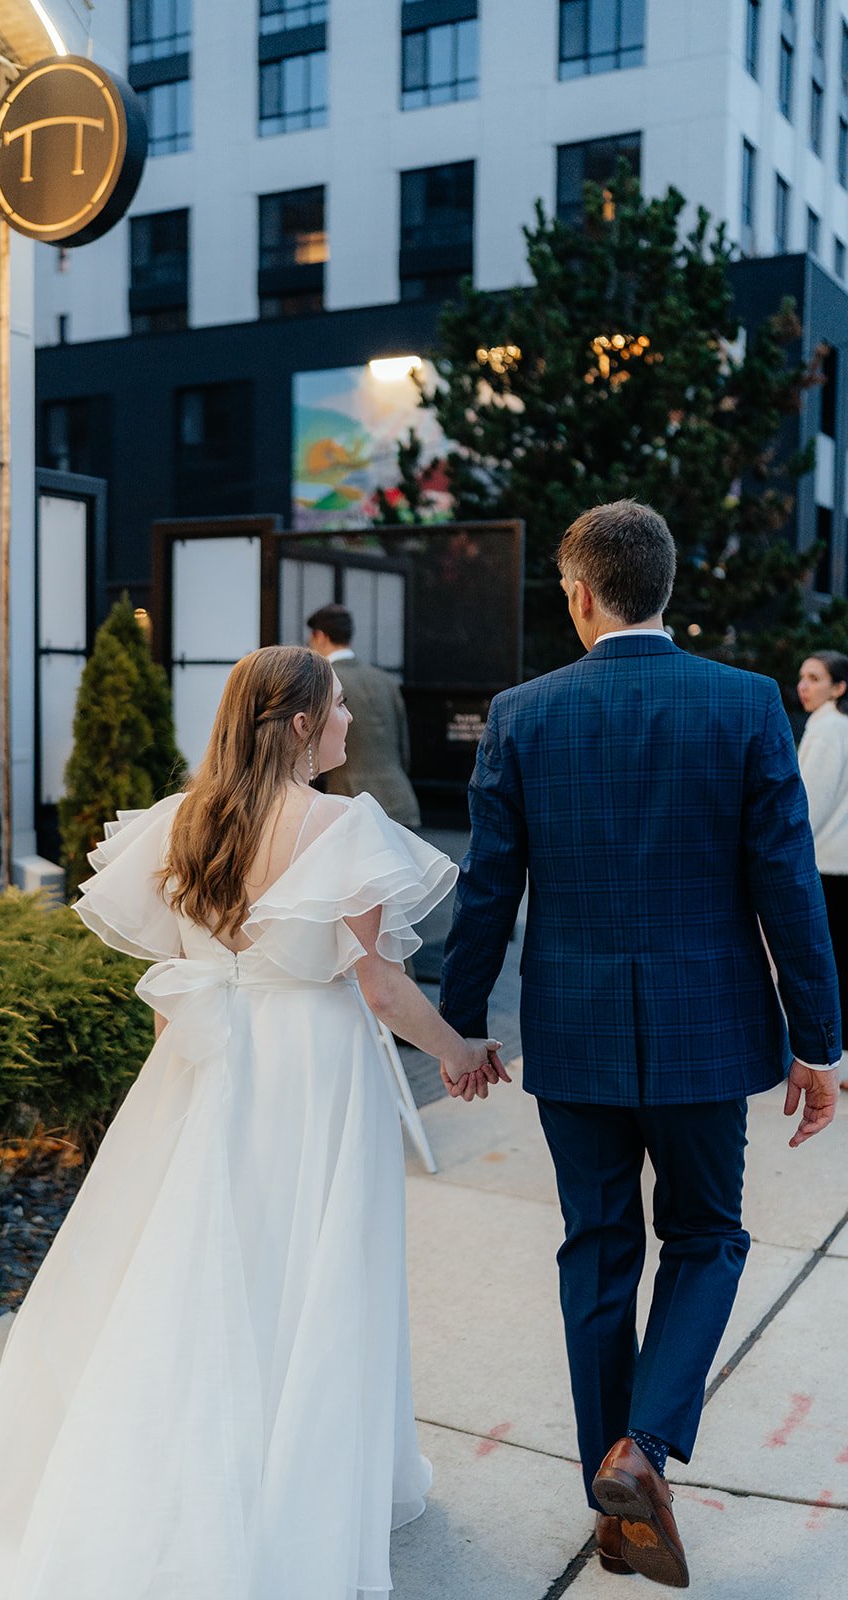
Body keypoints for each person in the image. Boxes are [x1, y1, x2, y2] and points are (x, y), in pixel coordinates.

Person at [0, 645, 504, 1600]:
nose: (351, 724)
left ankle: (185, 1475)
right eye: (337, 711)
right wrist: (455, 1051)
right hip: (312, 1071)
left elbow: (170, 987)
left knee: (196, 1262)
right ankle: (293, 1494)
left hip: (206, 1061)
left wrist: (189, 1075)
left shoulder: (180, 823)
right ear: (303, 724)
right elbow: (380, 983)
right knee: (310, 1267)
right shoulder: (339, 824)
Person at [439, 501, 840, 1589]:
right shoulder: (745, 703)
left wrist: (462, 1023)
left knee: (597, 1246)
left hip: (571, 1037)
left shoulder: (522, 713)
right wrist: (820, 1042)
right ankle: (643, 1451)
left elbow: (487, 890)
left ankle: (613, 1505)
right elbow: (786, 887)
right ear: (664, 587)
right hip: (710, 1032)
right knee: (706, 1234)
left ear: (577, 593)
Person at [306, 603, 422, 827]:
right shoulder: (385, 680)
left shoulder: (324, 681)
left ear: (319, 636)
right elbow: (404, 749)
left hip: (350, 799)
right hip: (400, 800)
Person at [797, 650, 848, 1092]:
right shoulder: (834, 727)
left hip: (828, 866)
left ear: (839, 687)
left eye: (815, 678)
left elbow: (808, 806)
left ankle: (833, 1059)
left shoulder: (829, 729)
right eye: (802, 677)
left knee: (828, 964)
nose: (804, 686)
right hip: (837, 863)